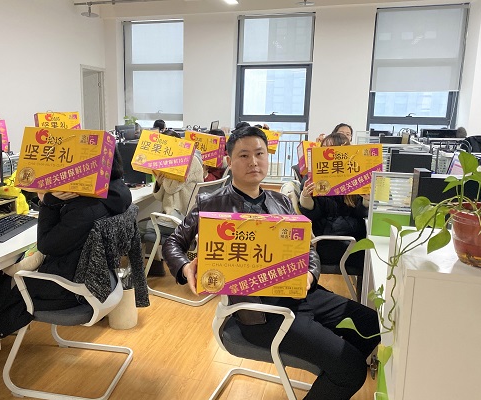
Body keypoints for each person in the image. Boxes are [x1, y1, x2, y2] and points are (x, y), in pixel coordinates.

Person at [163, 126, 380, 400]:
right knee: (351, 370)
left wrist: (310, 275)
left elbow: (308, 248)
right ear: (229, 161)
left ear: (268, 157)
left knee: (372, 324)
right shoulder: (212, 203)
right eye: (243, 155)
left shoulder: (281, 202)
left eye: (259, 154)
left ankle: (332, 372)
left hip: (301, 294)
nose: (253, 162)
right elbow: (173, 242)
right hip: (261, 312)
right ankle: (338, 369)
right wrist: (185, 267)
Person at [0, 148, 134, 371]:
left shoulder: (87, 209)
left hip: (72, 290)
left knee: (3, 284)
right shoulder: (116, 193)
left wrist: (47, 201)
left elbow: (46, 245)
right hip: (99, 279)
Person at [298, 131, 369, 280]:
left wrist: (366, 200)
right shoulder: (313, 178)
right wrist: (306, 197)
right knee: (371, 256)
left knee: (372, 250)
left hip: (347, 238)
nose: (329, 154)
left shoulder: (353, 177)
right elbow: (313, 215)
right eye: (325, 150)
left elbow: (358, 212)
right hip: (327, 242)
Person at [142, 129, 204, 276]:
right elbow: (160, 196)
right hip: (181, 217)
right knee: (144, 221)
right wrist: (159, 181)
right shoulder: (180, 160)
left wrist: (163, 173)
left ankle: (142, 272)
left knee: (137, 227)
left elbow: (171, 188)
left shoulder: (187, 162)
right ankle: (155, 266)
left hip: (179, 220)